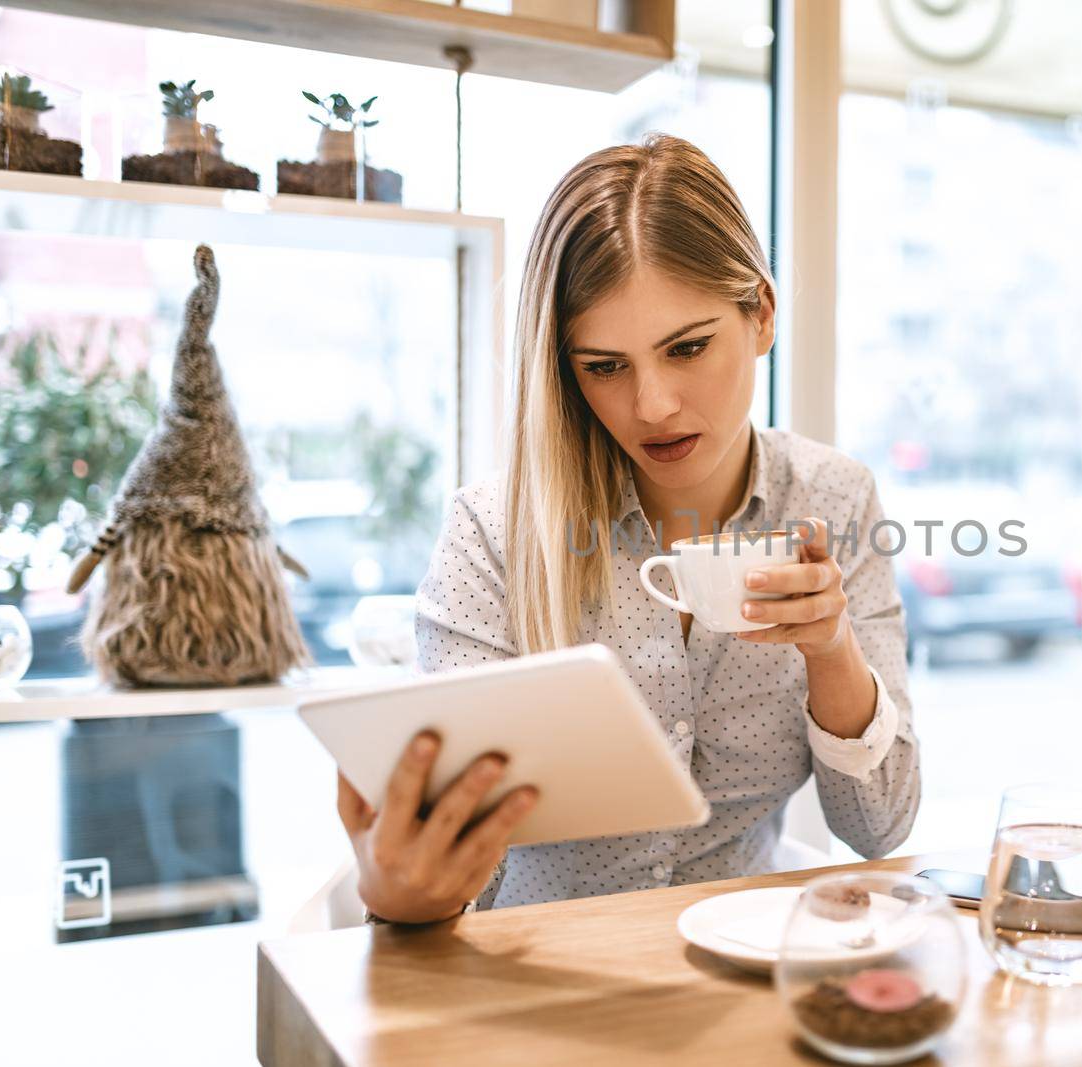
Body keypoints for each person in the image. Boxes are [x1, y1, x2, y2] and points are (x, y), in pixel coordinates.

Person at [335, 134, 920, 924]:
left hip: (737, 981)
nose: (651, 406)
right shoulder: (493, 532)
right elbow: (449, 863)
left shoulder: (833, 498)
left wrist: (831, 650)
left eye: (688, 348)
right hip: (541, 994)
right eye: (604, 365)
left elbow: (879, 826)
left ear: (763, 313)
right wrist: (401, 891)